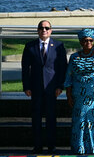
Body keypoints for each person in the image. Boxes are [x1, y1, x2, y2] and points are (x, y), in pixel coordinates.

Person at [21, 20, 67, 153]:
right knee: (36, 118)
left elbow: (62, 67)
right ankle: (37, 146)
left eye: (47, 28)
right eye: (41, 28)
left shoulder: (58, 46)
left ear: (51, 30)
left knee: (51, 117)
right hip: (35, 88)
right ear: (38, 30)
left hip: (52, 88)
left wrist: (60, 86)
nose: (44, 30)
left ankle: (51, 145)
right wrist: (26, 86)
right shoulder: (30, 46)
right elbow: (25, 68)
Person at [65, 28, 94, 154]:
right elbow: (69, 77)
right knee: (79, 121)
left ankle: (93, 148)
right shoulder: (74, 57)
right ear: (80, 42)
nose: (88, 43)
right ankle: (79, 148)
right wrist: (68, 95)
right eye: (85, 41)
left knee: (92, 122)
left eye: (91, 40)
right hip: (78, 96)